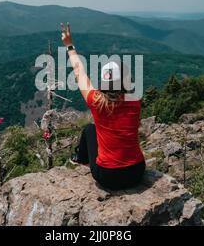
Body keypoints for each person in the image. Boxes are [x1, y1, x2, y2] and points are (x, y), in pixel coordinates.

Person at [61, 22, 145, 191]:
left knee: (90, 129)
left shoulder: (96, 100)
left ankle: (80, 159)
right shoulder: (135, 101)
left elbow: (78, 71)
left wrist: (69, 45)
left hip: (108, 177)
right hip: (137, 172)